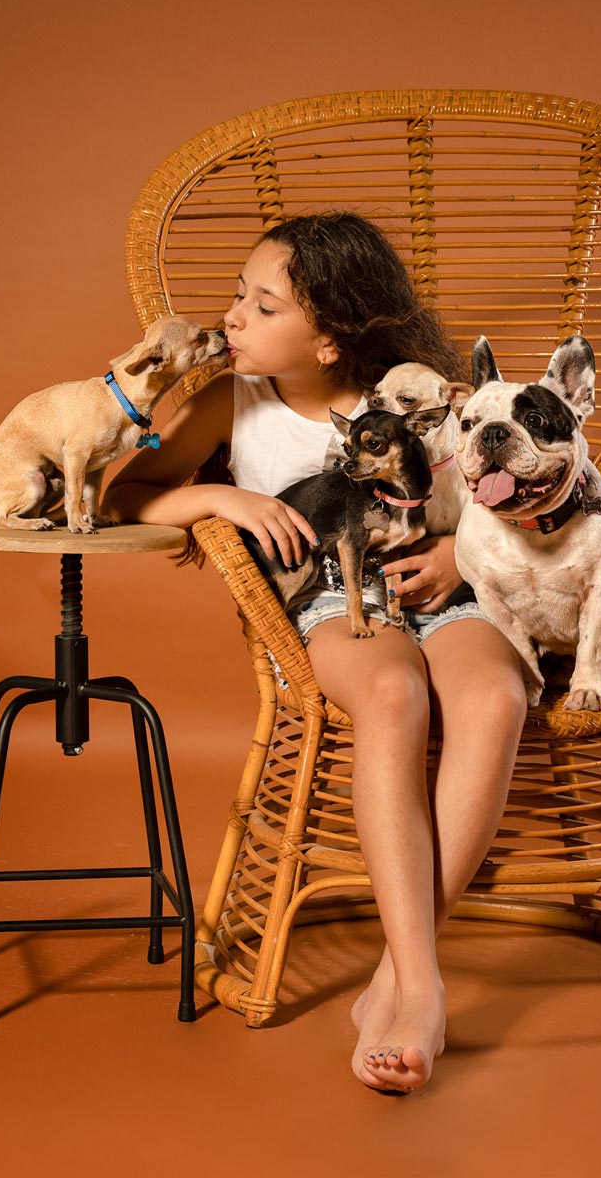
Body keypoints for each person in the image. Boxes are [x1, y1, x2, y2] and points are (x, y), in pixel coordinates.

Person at [104, 212, 527, 1093]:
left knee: (495, 698)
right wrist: (220, 498)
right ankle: (424, 989)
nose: (233, 316)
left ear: (330, 341)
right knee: (393, 695)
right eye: (239, 295)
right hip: (335, 594)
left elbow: (502, 496)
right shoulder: (229, 401)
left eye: (264, 307)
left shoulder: (413, 400)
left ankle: (396, 979)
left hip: (448, 581)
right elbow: (125, 497)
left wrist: (461, 555)